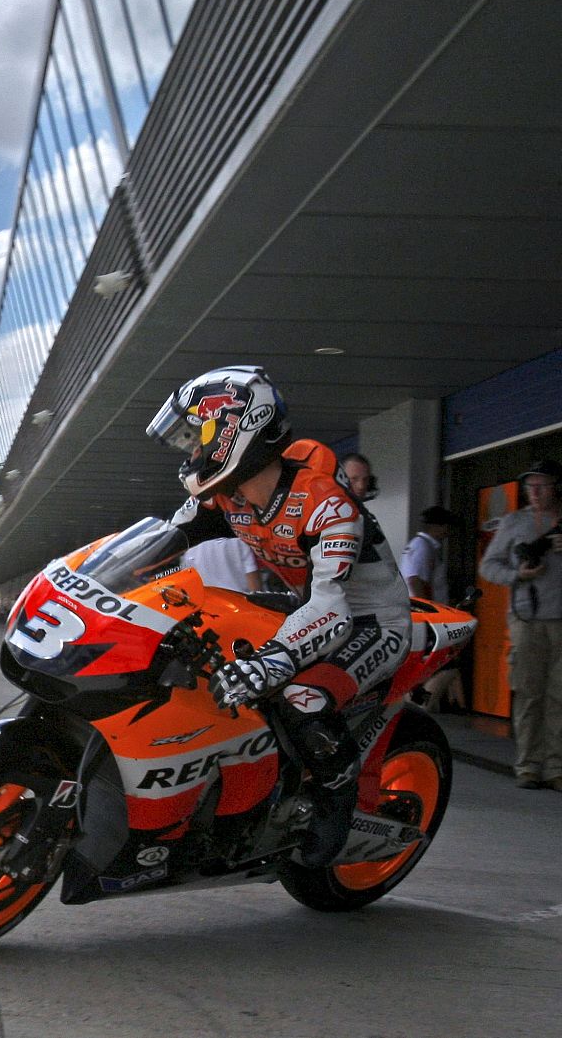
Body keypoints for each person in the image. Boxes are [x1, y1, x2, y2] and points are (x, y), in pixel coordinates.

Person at [147, 366, 410, 867]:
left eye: (196, 437)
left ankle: (337, 791)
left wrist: (272, 661)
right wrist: (93, 572)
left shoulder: (328, 504)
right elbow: (162, 542)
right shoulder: (225, 495)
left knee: (300, 695)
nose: (191, 454)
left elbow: (332, 606)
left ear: (236, 430)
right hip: (303, 604)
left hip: (370, 620)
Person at [478, 459, 562, 790]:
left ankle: (556, 766)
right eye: (531, 486)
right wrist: (517, 576)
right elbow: (489, 567)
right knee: (529, 694)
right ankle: (528, 764)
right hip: (527, 618)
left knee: (559, 696)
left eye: (543, 486)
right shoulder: (514, 523)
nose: (536, 493)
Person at [401, 506, 467, 712]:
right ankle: (418, 711)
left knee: (438, 667)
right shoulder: (423, 547)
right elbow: (416, 581)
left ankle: (419, 708)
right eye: (446, 526)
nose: (448, 531)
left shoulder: (419, 546)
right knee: (446, 667)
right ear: (437, 527)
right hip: (427, 621)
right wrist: (433, 617)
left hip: (420, 619)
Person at [182, 537, 260, 591]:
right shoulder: (239, 542)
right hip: (241, 604)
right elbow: (254, 583)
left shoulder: (189, 553)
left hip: (212, 608)